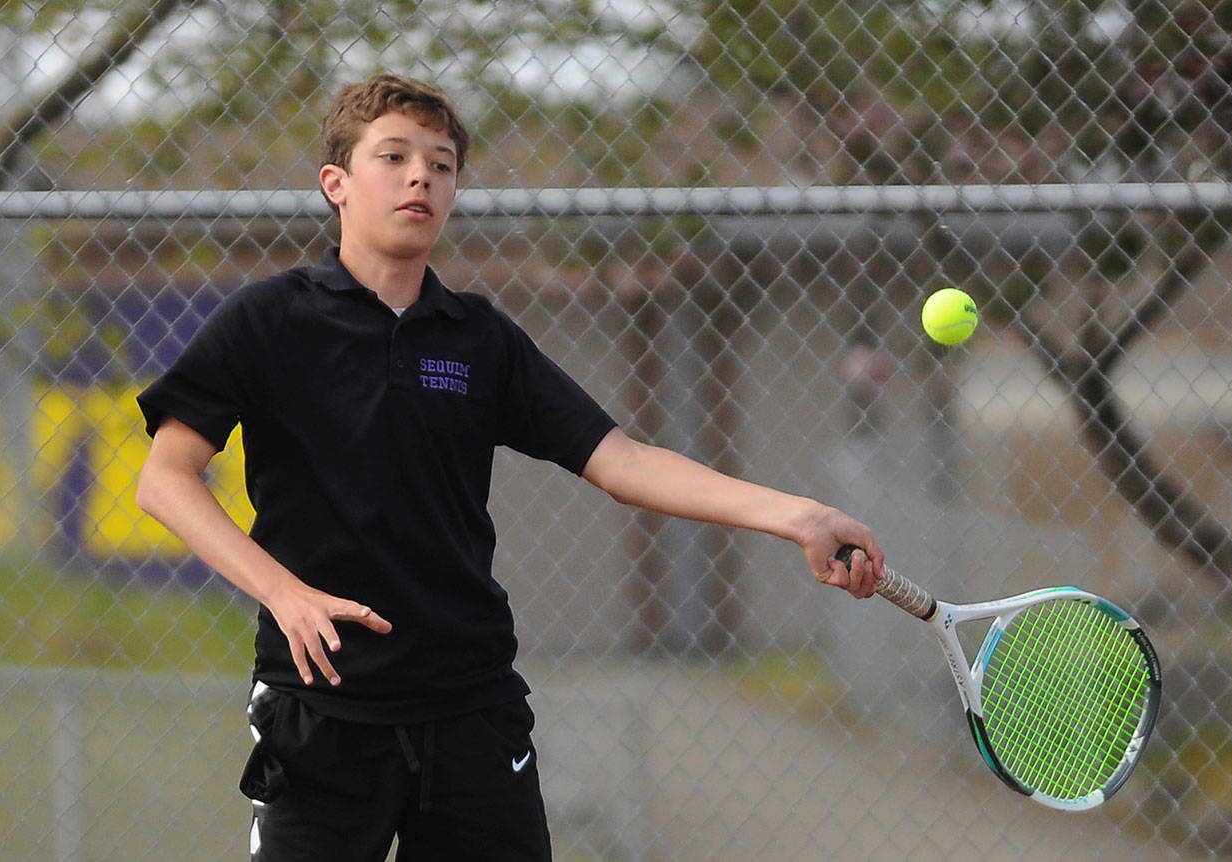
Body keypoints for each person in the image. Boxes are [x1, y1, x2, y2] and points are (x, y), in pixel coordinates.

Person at [135, 73, 884, 862]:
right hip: (320, 706)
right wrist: (282, 592)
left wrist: (795, 514)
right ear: (337, 184)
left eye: (442, 162)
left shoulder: (478, 337)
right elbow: (165, 479)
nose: (421, 175)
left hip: (471, 707)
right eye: (393, 156)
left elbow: (624, 462)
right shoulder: (268, 319)